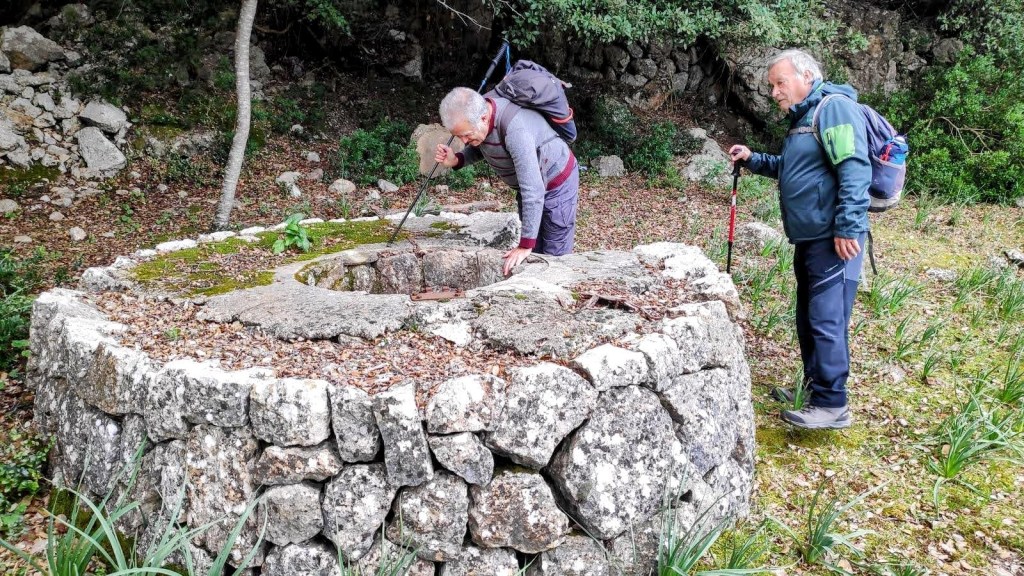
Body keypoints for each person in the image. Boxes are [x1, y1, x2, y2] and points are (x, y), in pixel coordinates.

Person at [729, 48, 871, 430]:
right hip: (809, 236)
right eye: (771, 85)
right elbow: (792, 169)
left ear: (806, 77)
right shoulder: (803, 119)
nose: (774, 91)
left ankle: (832, 403)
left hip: (833, 237)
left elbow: (855, 168)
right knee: (809, 318)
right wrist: (753, 159)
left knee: (827, 319)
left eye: (780, 82)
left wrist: (847, 226)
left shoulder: (834, 109)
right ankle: (814, 388)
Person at [434, 87, 579, 275]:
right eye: (460, 135)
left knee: (554, 252)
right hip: (529, 184)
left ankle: (558, 290)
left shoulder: (516, 130)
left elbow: (533, 191)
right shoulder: (480, 119)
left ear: (484, 118)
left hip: (557, 182)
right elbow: (483, 145)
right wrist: (457, 160)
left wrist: (525, 245)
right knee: (536, 252)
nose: (464, 141)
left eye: (466, 135)